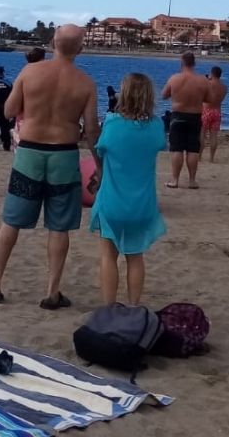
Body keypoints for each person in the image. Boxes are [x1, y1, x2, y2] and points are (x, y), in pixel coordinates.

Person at [0, 25, 99, 310]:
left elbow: (8, 110)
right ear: (80, 49)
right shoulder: (86, 83)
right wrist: (99, 163)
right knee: (59, 226)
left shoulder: (30, 72)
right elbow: (91, 130)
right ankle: (52, 293)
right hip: (64, 155)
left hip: (30, 152)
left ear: (53, 43)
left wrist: (33, 106)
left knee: (11, 220)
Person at [90, 73, 167, 306]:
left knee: (108, 256)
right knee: (135, 257)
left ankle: (109, 307)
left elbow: (100, 149)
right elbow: (160, 144)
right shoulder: (156, 126)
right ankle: (133, 306)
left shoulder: (112, 123)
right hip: (142, 205)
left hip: (112, 201)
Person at [162, 52, 210, 189]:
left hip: (178, 116)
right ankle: (192, 181)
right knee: (193, 149)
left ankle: (175, 180)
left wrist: (177, 94)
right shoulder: (202, 80)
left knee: (176, 148)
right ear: (194, 63)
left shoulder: (174, 78)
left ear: (182, 62)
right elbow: (210, 99)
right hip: (195, 116)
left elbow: (164, 95)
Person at [200, 66, 229, 163]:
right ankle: (211, 158)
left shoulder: (208, 84)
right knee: (214, 136)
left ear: (212, 73)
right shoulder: (224, 87)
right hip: (217, 111)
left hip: (206, 110)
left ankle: (199, 156)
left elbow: (202, 97)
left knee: (202, 134)